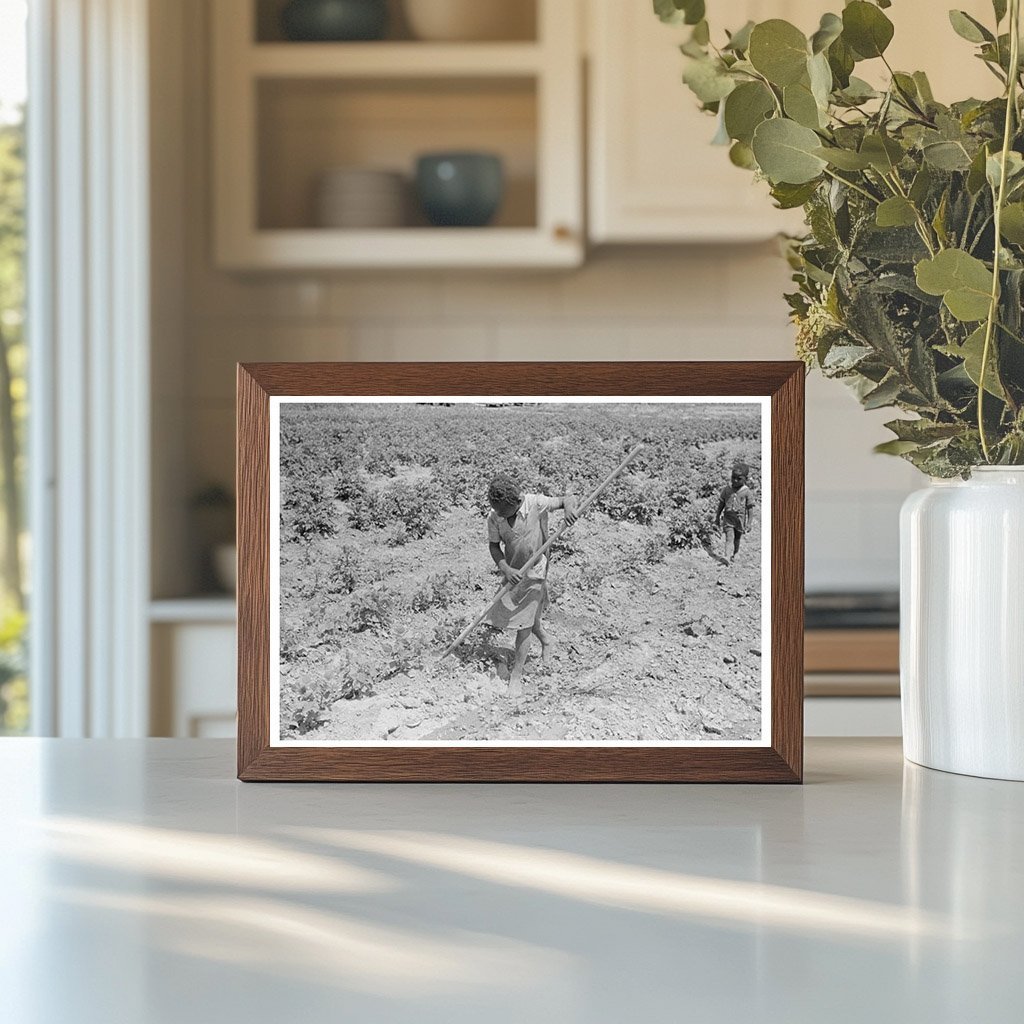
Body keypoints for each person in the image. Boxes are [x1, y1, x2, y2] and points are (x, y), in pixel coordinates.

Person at [485, 474, 578, 696]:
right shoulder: (495, 517)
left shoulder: (535, 503)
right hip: (513, 573)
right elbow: (494, 547)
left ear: (517, 502)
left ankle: (516, 676)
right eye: (496, 510)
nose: (498, 514)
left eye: (502, 511)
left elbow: (567, 499)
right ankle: (546, 641)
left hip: (535, 571)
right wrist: (506, 569)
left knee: (523, 624)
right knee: (517, 616)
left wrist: (569, 510)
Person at [715, 462, 755, 566]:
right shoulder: (727, 489)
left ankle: (735, 553)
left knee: (737, 538)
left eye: (739, 479)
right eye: (733, 477)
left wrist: (749, 523)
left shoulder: (746, 492)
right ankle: (727, 556)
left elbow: (750, 508)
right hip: (728, 518)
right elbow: (721, 503)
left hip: (740, 520)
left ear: (745, 479)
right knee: (729, 537)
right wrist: (717, 517)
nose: (735, 481)